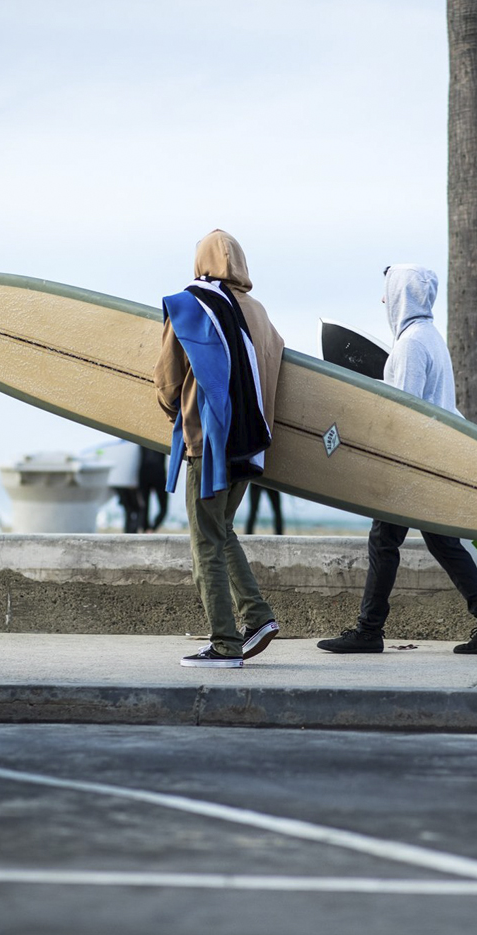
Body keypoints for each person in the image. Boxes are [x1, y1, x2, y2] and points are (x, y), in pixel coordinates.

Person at [317, 263, 477, 656]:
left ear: (401, 295)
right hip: (431, 459)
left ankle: (369, 631)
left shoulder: (411, 344)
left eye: (388, 291)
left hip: (413, 463)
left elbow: (401, 411)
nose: (383, 299)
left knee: (384, 541)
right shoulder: (429, 337)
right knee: (441, 543)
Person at [154, 229, 284, 667]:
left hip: (207, 444)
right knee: (222, 531)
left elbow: (168, 382)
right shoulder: (261, 315)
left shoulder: (193, 304)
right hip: (251, 445)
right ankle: (258, 616)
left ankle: (225, 643)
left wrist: (175, 410)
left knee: (205, 543)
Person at [138, 446, 168, 532]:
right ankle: (149, 530)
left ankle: (147, 530)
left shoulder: (141, 437)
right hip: (157, 474)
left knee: (144, 507)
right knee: (162, 508)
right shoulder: (162, 437)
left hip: (145, 474)